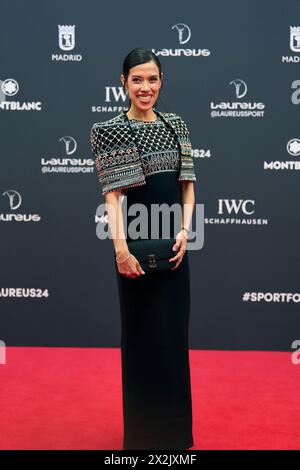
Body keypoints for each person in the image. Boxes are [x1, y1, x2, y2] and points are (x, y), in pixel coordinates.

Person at [90, 48, 197, 450]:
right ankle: (142, 437)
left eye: (152, 79)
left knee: (172, 342)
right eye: (137, 79)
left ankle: (176, 436)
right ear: (124, 83)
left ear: (161, 81)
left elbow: (188, 184)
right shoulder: (112, 130)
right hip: (135, 251)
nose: (145, 88)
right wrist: (120, 250)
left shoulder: (176, 126)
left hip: (175, 249)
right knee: (141, 342)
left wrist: (188, 232)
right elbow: (113, 197)